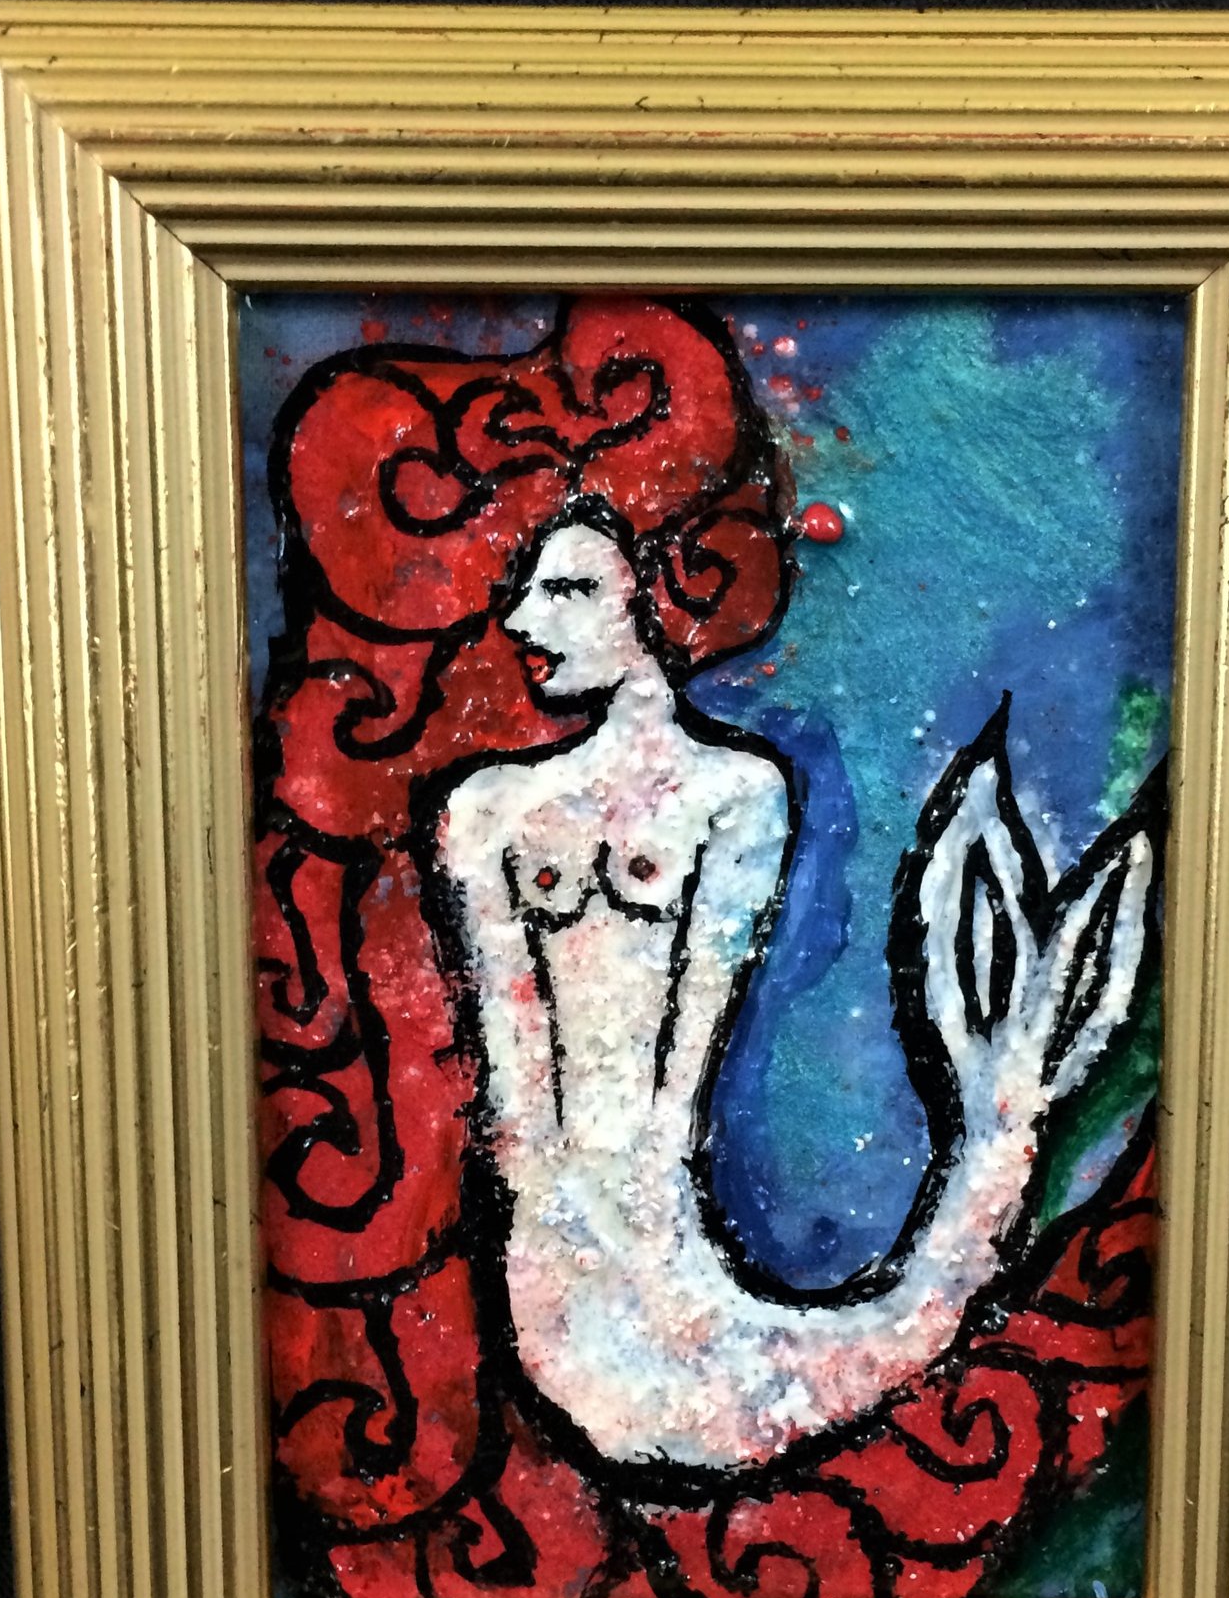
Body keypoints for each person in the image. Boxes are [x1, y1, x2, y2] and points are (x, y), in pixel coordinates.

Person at [427, 495, 1158, 1475]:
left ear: (662, 594)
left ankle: (1005, 1109)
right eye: (528, 588)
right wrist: (554, 1193)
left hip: (667, 1259)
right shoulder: (484, 809)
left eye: (568, 590)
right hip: (558, 1268)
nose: (521, 620)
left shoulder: (739, 794)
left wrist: (640, 1202)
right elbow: (511, 1066)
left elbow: (686, 1066)